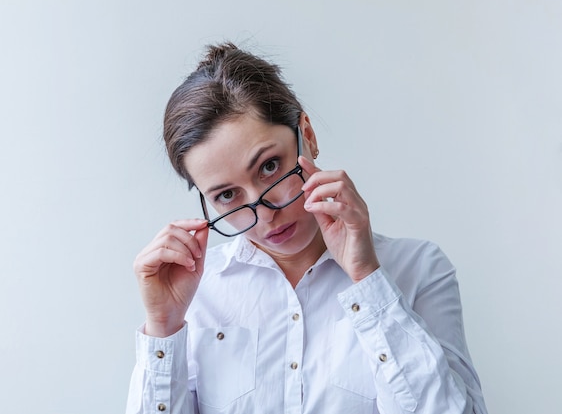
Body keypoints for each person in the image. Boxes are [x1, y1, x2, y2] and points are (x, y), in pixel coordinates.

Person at [126, 42, 488, 414]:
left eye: (269, 167)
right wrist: (164, 327)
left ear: (307, 135)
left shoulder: (419, 269)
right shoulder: (196, 296)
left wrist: (368, 282)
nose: (265, 214)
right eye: (227, 195)